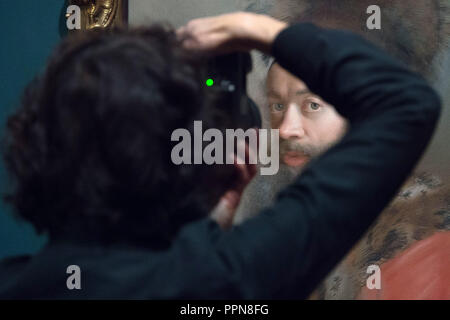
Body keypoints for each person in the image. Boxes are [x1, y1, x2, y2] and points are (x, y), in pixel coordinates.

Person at [0, 12, 441, 299]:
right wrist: (256, 30)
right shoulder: (226, 280)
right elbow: (405, 104)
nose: (284, 129)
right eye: (276, 106)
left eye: (311, 104)